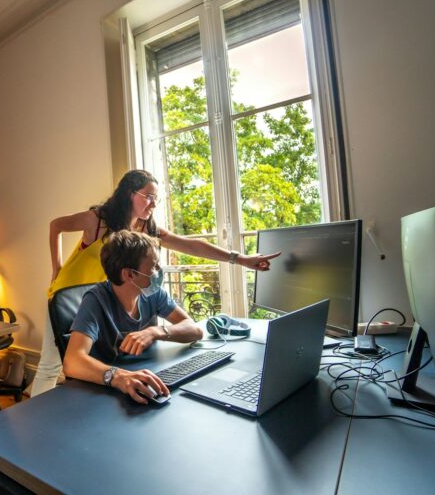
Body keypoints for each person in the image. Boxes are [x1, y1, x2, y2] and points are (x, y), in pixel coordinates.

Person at [30, 169, 280, 396]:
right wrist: (57, 269)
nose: (153, 204)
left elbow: (189, 245)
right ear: (129, 193)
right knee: (51, 365)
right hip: (67, 293)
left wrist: (239, 259)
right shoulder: (98, 220)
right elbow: (56, 226)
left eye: (156, 199)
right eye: (148, 197)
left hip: (106, 292)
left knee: (102, 358)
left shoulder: (144, 229)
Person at [63, 230, 202, 402]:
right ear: (129, 274)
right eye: (153, 266)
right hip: (106, 393)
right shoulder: (95, 300)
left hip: (147, 375)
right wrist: (118, 376)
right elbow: (72, 361)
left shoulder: (153, 293)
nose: (159, 271)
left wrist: (156, 331)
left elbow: (194, 330)